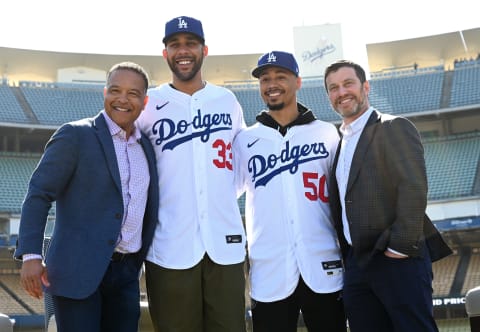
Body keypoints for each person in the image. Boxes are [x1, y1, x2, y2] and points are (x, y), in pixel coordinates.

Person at [14, 62, 159, 332]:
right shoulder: (75, 135)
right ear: (104, 93)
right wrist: (31, 255)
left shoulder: (146, 147)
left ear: (144, 100)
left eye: (133, 93)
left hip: (126, 274)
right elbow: (38, 194)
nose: (122, 99)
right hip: (77, 271)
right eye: (115, 90)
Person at [323, 59, 453, 332]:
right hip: (358, 264)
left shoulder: (394, 126)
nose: (342, 92)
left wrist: (399, 247)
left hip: (396, 258)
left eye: (348, 84)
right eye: (333, 88)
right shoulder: (338, 142)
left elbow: (413, 188)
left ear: (365, 87)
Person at [136, 16, 247, 332]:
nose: (183, 51)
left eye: (190, 44)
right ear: (165, 54)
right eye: (175, 45)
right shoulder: (150, 103)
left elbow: (236, 169)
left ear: (204, 49)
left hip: (224, 245)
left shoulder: (226, 100)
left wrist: (217, 198)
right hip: (169, 245)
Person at [233, 51, 346, 332]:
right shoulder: (245, 140)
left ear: (297, 81)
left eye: (280, 77)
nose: (272, 84)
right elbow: (224, 194)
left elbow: (346, 196)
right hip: (270, 270)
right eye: (265, 79)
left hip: (324, 265)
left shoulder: (327, 134)